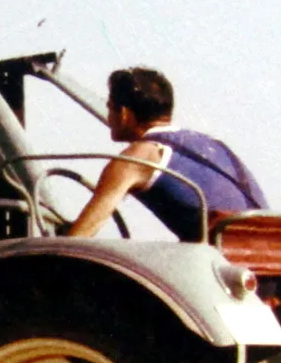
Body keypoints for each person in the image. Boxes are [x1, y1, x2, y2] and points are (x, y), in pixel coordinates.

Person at [66, 67, 267, 242]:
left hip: (220, 262)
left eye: (110, 108)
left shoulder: (136, 157)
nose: (109, 117)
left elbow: (82, 234)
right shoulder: (213, 146)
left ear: (125, 114)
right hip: (273, 255)